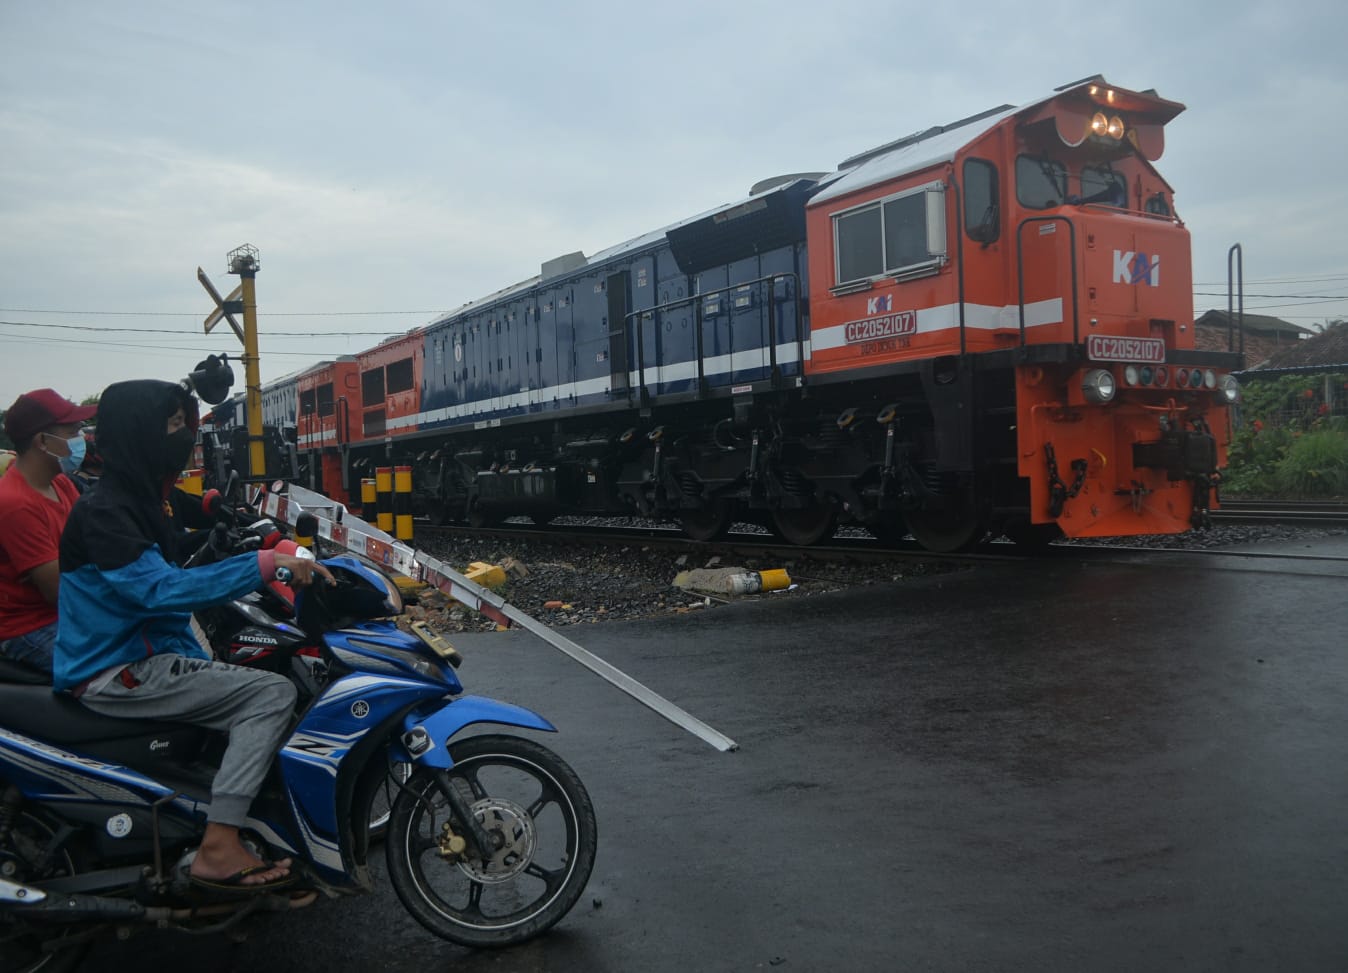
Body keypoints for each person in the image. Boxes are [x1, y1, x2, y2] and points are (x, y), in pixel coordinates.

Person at [54, 378, 333, 892]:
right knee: (273, 693)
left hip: (149, 652)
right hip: (117, 669)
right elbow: (159, 590)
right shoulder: (105, 511)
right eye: (173, 426)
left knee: (251, 672)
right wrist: (266, 564)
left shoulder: (135, 497)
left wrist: (230, 529)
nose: (182, 439)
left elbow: (173, 540)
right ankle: (219, 845)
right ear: (140, 434)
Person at [0, 389, 98, 673]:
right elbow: (59, 591)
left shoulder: (62, 484)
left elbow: (95, 542)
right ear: (42, 441)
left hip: (64, 614)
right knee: (116, 669)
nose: (80, 438)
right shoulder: (15, 503)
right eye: (71, 431)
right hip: (29, 627)